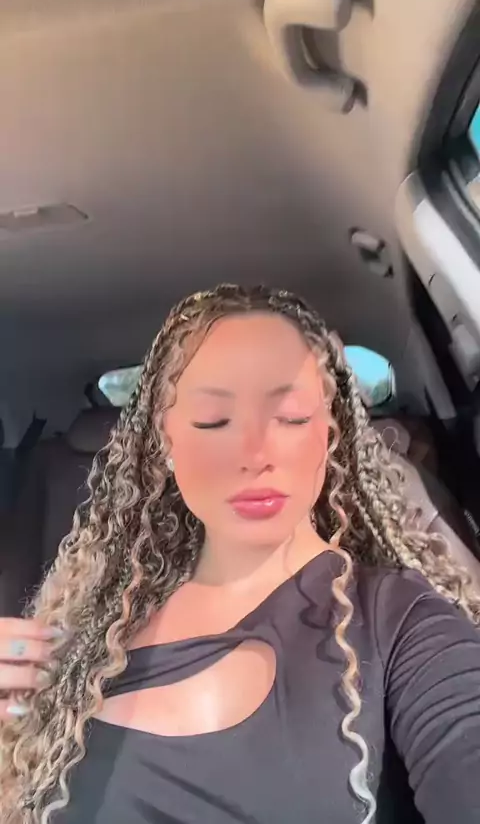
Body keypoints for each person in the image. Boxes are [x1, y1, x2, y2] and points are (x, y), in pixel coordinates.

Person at [0, 283, 479, 824]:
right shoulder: (86, 631)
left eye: (291, 416)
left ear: (330, 430)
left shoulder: (400, 619)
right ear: (166, 441)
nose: (255, 454)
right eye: (213, 421)